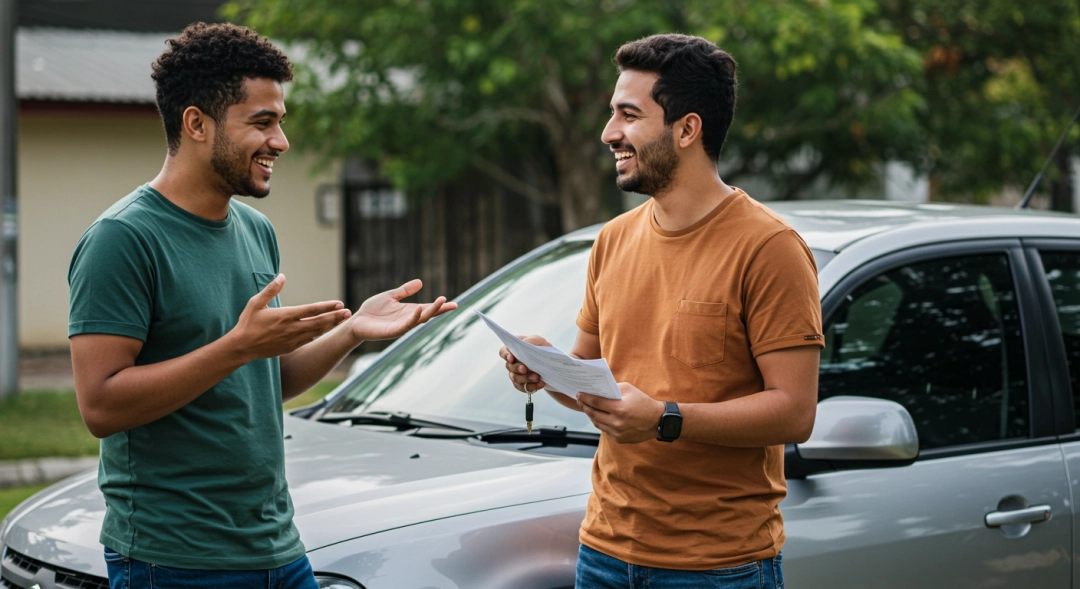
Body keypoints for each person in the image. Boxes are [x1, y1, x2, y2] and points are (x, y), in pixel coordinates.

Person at [68, 22, 455, 589]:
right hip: (174, 560)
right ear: (196, 123)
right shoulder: (123, 239)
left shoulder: (255, 230)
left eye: (280, 122)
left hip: (278, 549)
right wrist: (235, 348)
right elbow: (100, 407)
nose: (281, 141)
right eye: (262, 122)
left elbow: (262, 381)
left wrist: (351, 333)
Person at [500, 34, 822, 588]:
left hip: (718, 567)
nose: (609, 134)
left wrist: (667, 418)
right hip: (602, 553)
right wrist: (544, 370)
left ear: (687, 129)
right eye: (612, 114)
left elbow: (795, 413)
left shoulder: (770, 247)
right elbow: (594, 385)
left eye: (628, 115)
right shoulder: (613, 240)